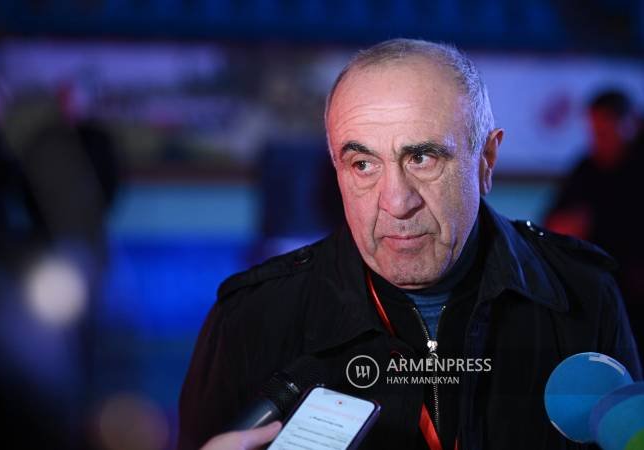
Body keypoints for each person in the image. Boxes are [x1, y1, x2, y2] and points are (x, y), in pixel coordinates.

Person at [178, 39, 642, 450]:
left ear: (486, 160)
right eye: (363, 164)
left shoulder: (584, 293)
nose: (396, 203)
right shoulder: (251, 319)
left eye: (421, 157)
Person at [545, 90, 644, 363]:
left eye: (606, 131)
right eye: (595, 132)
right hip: (601, 293)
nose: (599, 140)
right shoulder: (587, 168)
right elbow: (553, 224)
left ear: (630, 124)